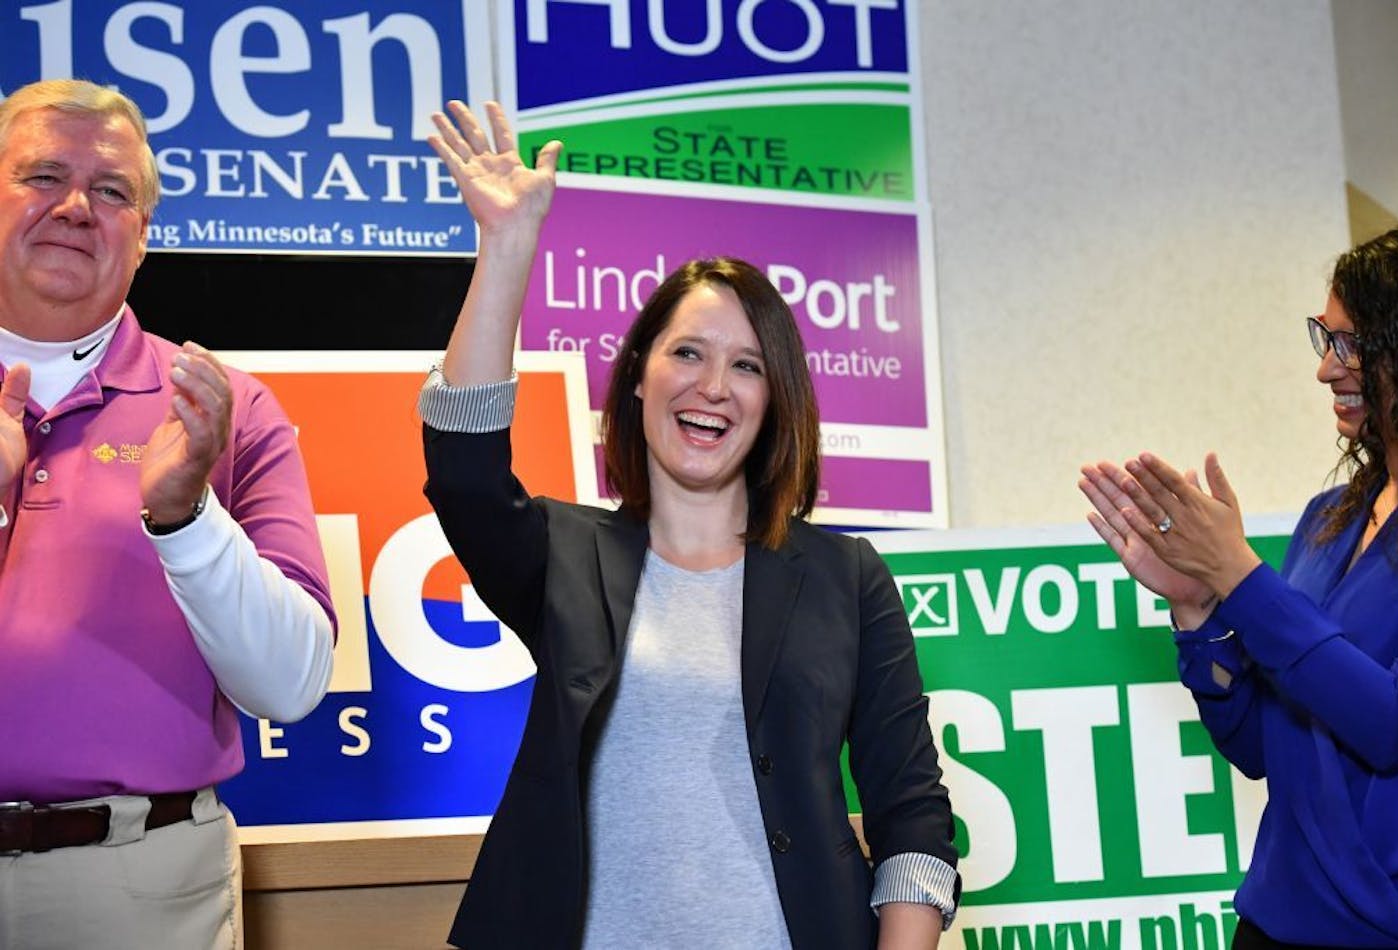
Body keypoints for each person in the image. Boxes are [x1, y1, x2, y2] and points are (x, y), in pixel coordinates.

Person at [418, 100, 960, 949]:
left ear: (773, 404)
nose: (713, 386)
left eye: (747, 366)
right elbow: (463, 472)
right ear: (638, 377)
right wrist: (507, 246)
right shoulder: (564, 554)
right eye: (688, 353)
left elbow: (912, 816)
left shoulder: (845, 578)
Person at [0, 79, 336, 948]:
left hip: (137, 885)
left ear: (143, 236)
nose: (76, 207)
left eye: (112, 191)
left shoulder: (222, 411)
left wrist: (185, 515)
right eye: (42, 176)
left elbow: (291, 686)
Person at [1079, 219, 1398, 948]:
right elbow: (1263, 748)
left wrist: (1237, 573)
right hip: (1272, 920)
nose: (1326, 369)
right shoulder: (1330, 519)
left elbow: (1394, 725)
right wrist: (1197, 605)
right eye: (1323, 337)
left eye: (1351, 343)